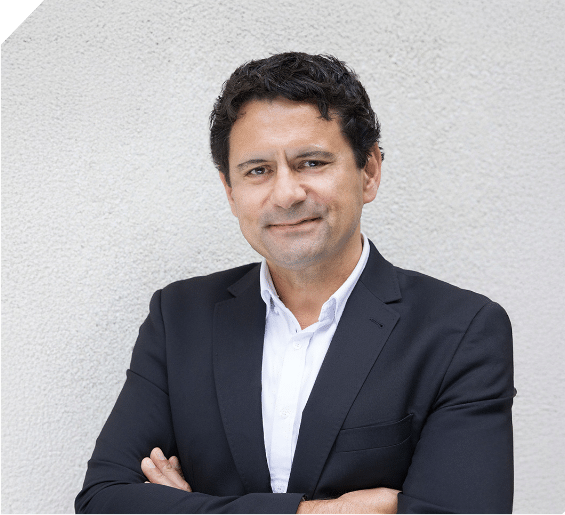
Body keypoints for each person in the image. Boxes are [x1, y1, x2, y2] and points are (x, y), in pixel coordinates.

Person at [75, 52, 515, 514]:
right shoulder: (180, 318)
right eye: (258, 170)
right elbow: (103, 501)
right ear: (230, 191)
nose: (286, 194)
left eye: (311, 162)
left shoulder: (460, 331)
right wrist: (320, 512)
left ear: (369, 171)